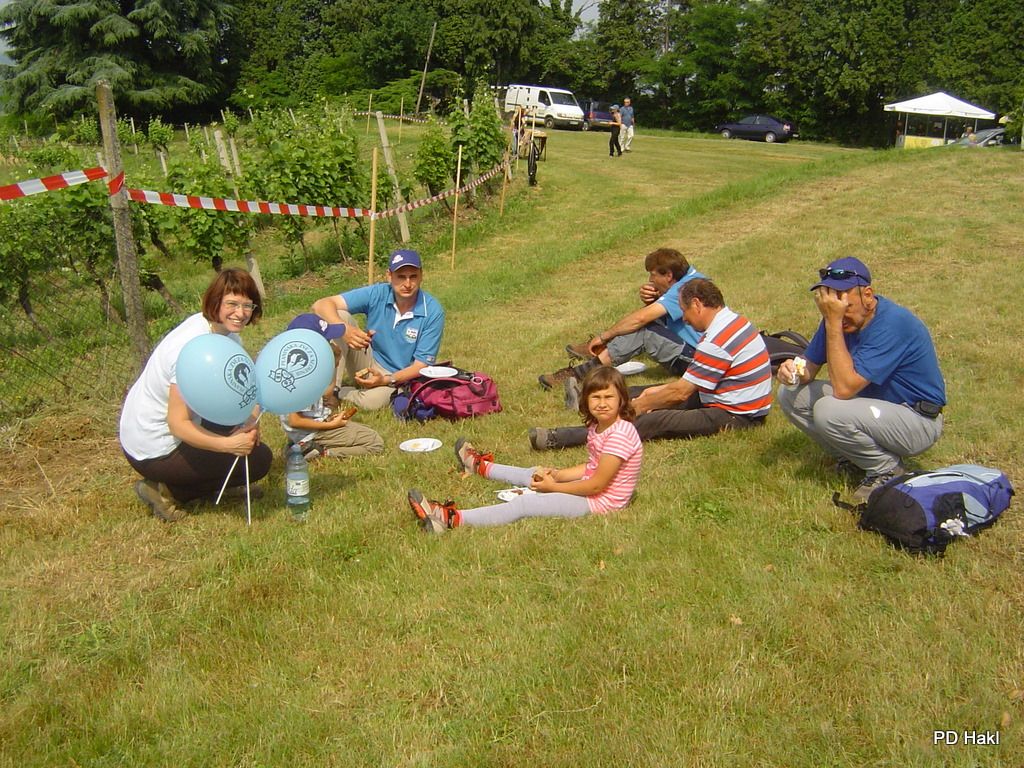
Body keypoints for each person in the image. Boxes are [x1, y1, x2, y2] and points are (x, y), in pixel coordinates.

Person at [530, 278, 772, 450]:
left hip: (737, 416)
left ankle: (559, 438)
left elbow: (680, 393)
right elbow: (686, 387)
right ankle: (589, 403)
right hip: (723, 399)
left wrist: (641, 406)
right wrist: (650, 394)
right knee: (639, 391)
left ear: (697, 304)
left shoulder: (717, 340)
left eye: (685, 311)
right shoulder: (733, 321)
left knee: (652, 420)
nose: (684, 319)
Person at [776, 257, 946, 501]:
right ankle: (854, 459)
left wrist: (833, 322)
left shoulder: (893, 323)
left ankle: (886, 469)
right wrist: (793, 371)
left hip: (917, 420)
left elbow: (844, 389)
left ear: (868, 295)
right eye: (832, 303)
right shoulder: (837, 320)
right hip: (875, 408)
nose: (838, 310)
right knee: (791, 394)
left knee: (829, 409)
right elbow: (809, 366)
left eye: (845, 303)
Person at [408, 366, 642, 533]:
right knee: (535, 473)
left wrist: (554, 487)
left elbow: (596, 485)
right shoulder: (600, 426)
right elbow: (593, 466)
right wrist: (558, 475)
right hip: (592, 491)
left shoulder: (619, 434)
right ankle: (482, 466)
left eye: (609, 397)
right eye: (596, 397)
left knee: (525, 504)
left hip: (600, 503)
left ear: (622, 399)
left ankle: (450, 519)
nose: (602, 403)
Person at [119, 268, 273, 522]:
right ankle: (165, 491)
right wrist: (228, 445)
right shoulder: (189, 349)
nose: (241, 313)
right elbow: (177, 424)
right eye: (232, 304)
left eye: (248, 305)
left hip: (175, 426)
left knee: (248, 446)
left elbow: (243, 391)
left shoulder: (224, 335)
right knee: (259, 461)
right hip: (155, 446)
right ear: (216, 302)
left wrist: (248, 421)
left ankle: (218, 479)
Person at [538, 248, 705, 404]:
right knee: (645, 323)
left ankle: (581, 371)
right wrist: (655, 299)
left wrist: (605, 336)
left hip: (695, 361)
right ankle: (599, 351)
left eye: (653, 275)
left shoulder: (685, 289)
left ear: (668, 275)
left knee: (643, 330)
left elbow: (640, 319)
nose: (650, 280)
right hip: (698, 356)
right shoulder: (693, 279)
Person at [311, 249, 445, 411]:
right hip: (368, 360)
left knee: (374, 402)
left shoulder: (432, 311)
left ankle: (343, 393)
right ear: (389, 276)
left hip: (398, 377)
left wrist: (386, 380)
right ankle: (328, 394)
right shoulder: (378, 293)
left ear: (421, 275)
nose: (408, 284)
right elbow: (320, 305)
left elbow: (421, 366)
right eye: (401, 277)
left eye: (413, 276)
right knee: (339, 317)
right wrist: (345, 330)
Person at [279, 314, 384, 459]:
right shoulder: (300, 378)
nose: (331, 343)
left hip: (313, 427)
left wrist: (334, 362)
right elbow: (294, 420)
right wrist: (331, 425)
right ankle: (318, 452)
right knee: (374, 442)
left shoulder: (304, 368)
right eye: (327, 340)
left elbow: (326, 394)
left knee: (364, 431)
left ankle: (301, 445)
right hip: (312, 432)